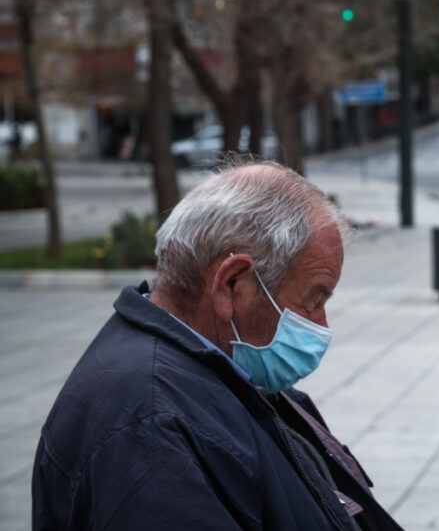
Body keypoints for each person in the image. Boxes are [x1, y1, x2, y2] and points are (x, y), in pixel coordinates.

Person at [32, 162, 404, 530]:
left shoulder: (216, 374)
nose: (321, 323)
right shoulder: (152, 428)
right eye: (313, 299)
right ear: (231, 284)